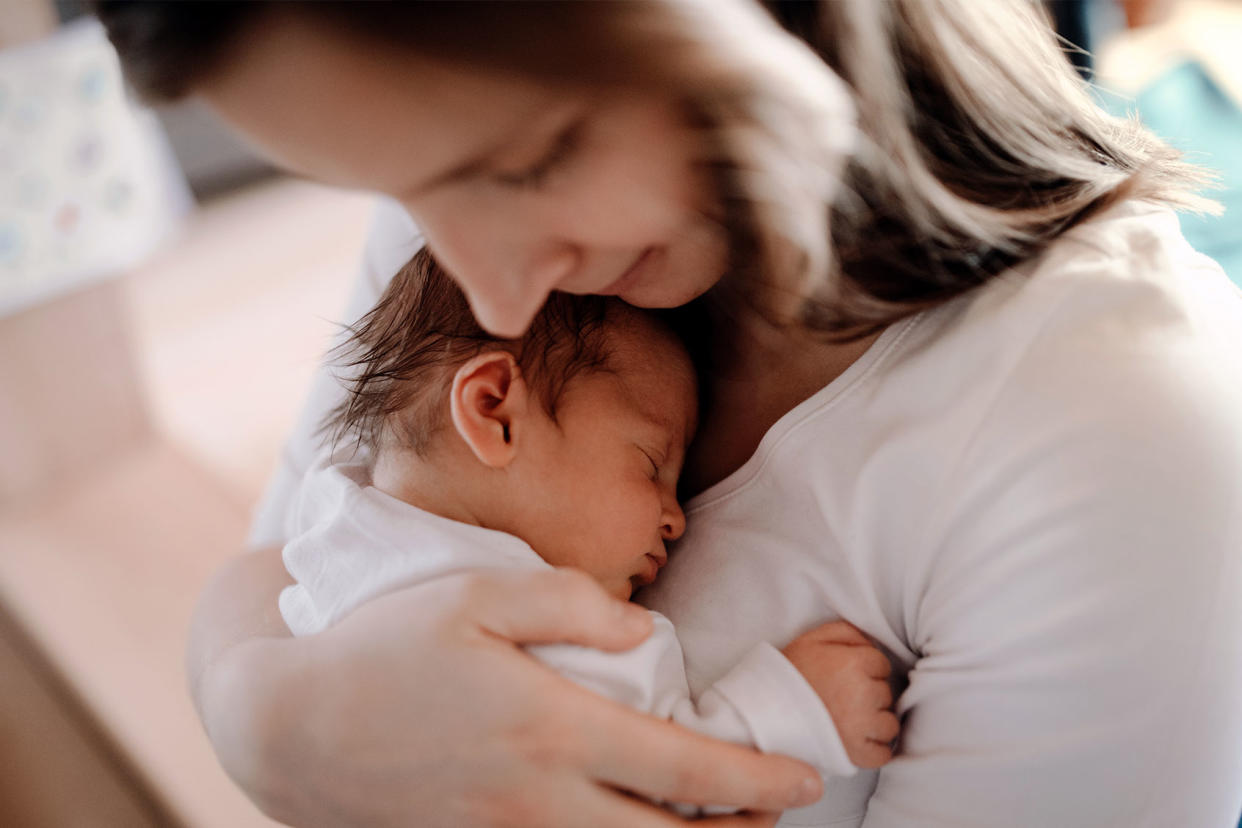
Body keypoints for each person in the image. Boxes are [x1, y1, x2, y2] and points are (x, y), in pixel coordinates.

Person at [94, 1, 1242, 826]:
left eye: (528, 160)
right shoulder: (490, 257)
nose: (492, 288)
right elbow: (282, 559)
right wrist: (264, 718)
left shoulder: (1121, 433)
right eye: (399, 185)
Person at [279, 247, 898, 804]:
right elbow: (650, 784)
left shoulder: (336, 528)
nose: (676, 518)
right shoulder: (535, 618)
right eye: (652, 465)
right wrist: (792, 710)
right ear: (494, 413)